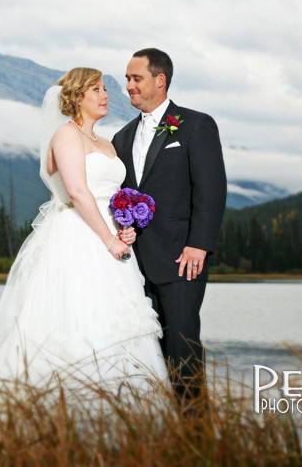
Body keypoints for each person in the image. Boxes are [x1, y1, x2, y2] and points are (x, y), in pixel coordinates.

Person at [0, 67, 170, 408]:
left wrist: (125, 224)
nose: (105, 95)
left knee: (117, 322)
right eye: (96, 89)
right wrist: (109, 239)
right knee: (77, 316)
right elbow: (77, 191)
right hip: (82, 238)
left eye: (104, 89)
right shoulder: (65, 136)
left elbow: (111, 194)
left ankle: (123, 410)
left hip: (112, 240)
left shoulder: (106, 143)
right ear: (76, 97)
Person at [111, 48, 227, 413]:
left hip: (182, 259)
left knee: (182, 345)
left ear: (159, 81)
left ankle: (195, 428)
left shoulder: (195, 125)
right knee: (147, 348)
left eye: (135, 78)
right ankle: (159, 427)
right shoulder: (122, 137)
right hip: (134, 265)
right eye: (127, 78)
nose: (128, 85)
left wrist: (199, 245)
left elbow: (211, 189)